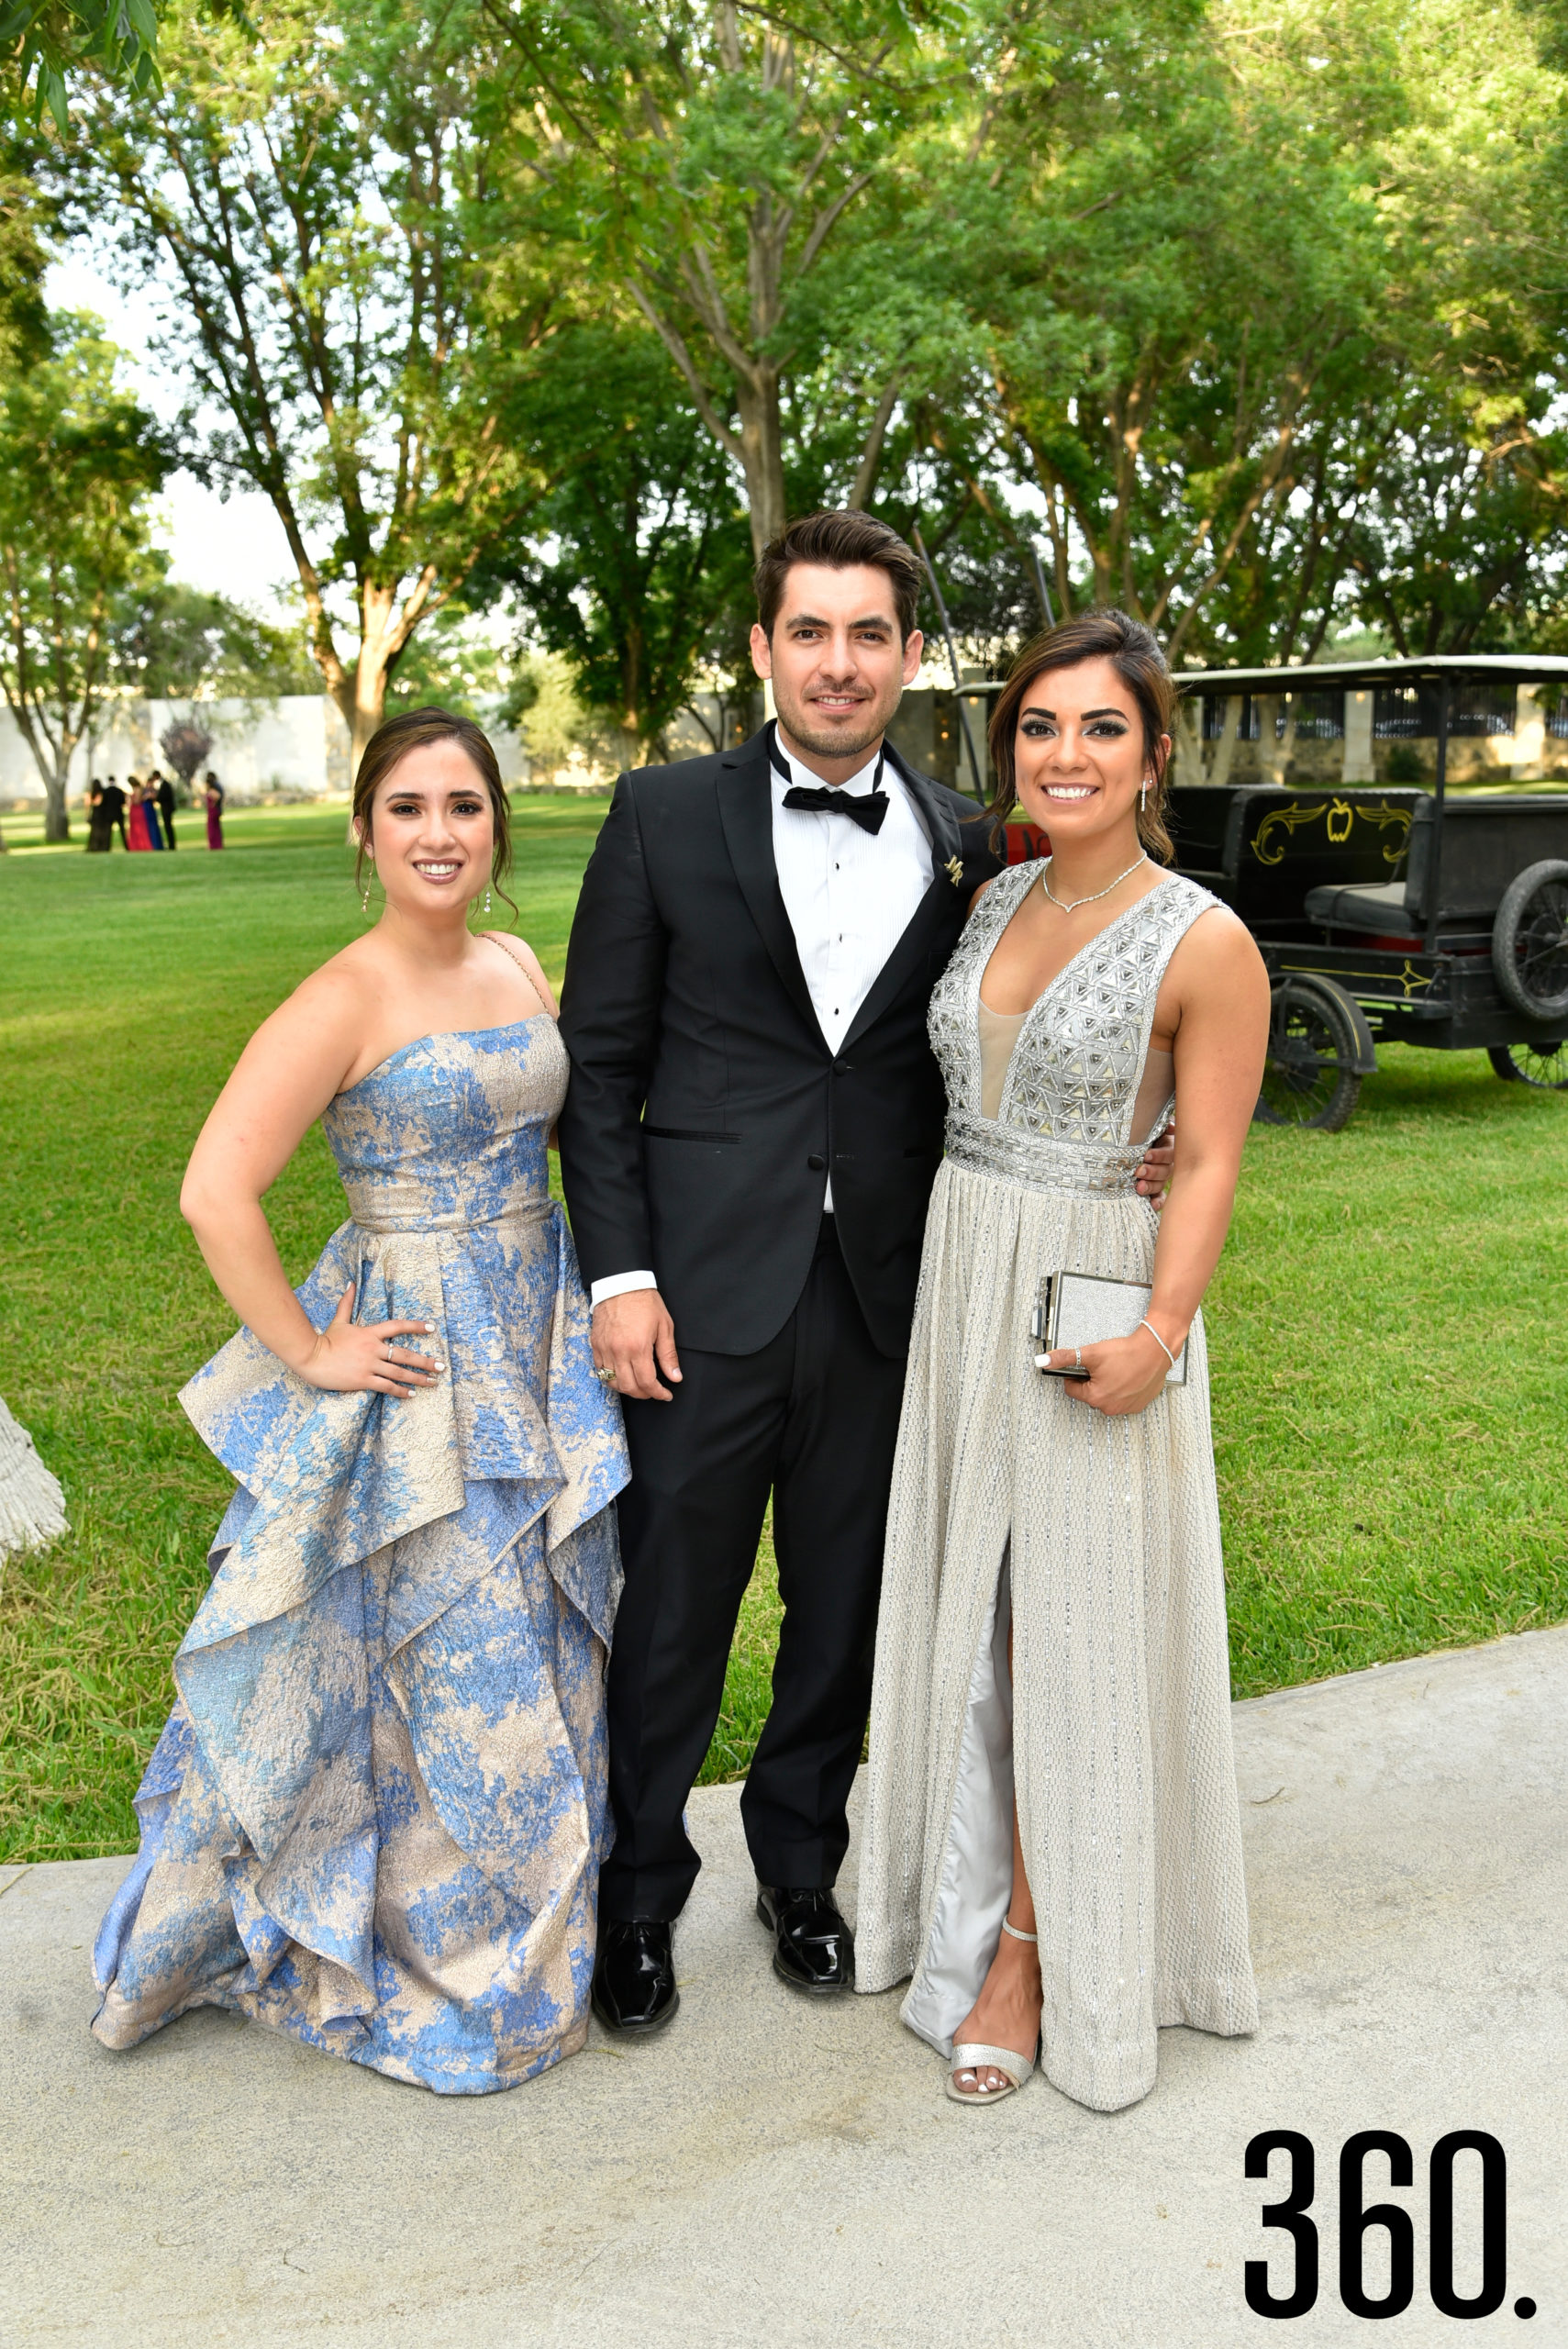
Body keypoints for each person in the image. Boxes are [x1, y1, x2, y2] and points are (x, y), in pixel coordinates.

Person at [555, 514, 1173, 2037]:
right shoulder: (655, 815)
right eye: (808, 633)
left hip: (896, 1296)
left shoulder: (975, 840)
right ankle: (635, 1901)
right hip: (697, 1296)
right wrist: (618, 1276)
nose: (838, 664)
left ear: (906, 656)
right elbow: (600, 1073)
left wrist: (1137, 1144)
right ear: (762, 649)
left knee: (841, 1610)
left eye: (868, 635)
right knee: (672, 1615)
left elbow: (1038, 1022)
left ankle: (798, 1872)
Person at [93, 707, 629, 2093]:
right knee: (441, 1657)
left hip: (532, 1335)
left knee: (545, 1624)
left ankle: (528, 1923)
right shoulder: (345, 995)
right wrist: (310, 1351)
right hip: (419, 1365)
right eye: (408, 810)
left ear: (496, 826)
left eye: (463, 807)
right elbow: (216, 1188)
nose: (439, 835)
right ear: (365, 830)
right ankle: (429, 1948)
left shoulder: (515, 958)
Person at [856, 611, 1270, 2113]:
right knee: (971, 1612)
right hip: (966, 1276)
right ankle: (944, 1913)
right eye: (1040, 726)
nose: (1066, 754)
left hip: (1091, 1294)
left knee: (1060, 1631)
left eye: (1101, 727)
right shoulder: (986, 900)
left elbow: (1210, 1159)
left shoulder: (1204, 940)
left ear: (1154, 752)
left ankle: (1033, 1953)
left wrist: (1157, 1335)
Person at [101, 775, 128, 850]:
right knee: (122, 831)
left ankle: (107, 848)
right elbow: (123, 802)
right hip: (118, 813)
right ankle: (126, 847)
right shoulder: (119, 791)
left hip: (109, 814)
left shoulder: (106, 791)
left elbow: (103, 803)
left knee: (108, 832)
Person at [126, 776, 152, 851]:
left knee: (140, 828)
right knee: (134, 829)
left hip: (137, 811)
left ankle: (141, 845)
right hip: (134, 811)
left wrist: (130, 798)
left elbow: (137, 801)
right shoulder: (137, 788)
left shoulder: (138, 789)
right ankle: (135, 846)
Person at [84, 780, 110, 852]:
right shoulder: (101, 793)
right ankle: (98, 847)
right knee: (97, 832)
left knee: (97, 832)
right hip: (100, 815)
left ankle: (97, 847)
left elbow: (93, 804)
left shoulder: (96, 794)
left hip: (98, 815)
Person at [155, 767, 178, 850]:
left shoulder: (165, 784)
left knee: (168, 827)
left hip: (167, 809)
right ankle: (171, 844)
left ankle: (172, 845)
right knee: (168, 827)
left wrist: (156, 798)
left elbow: (164, 796)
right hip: (166, 809)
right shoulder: (164, 783)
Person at [204, 770, 224, 850]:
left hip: (213, 811)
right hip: (211, 811)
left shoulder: (213, 790)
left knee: (212, 829)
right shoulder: (213, 788)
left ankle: (214, 845)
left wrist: (214, 803)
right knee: (214, 828)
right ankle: (216, 845)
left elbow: (219, 796)